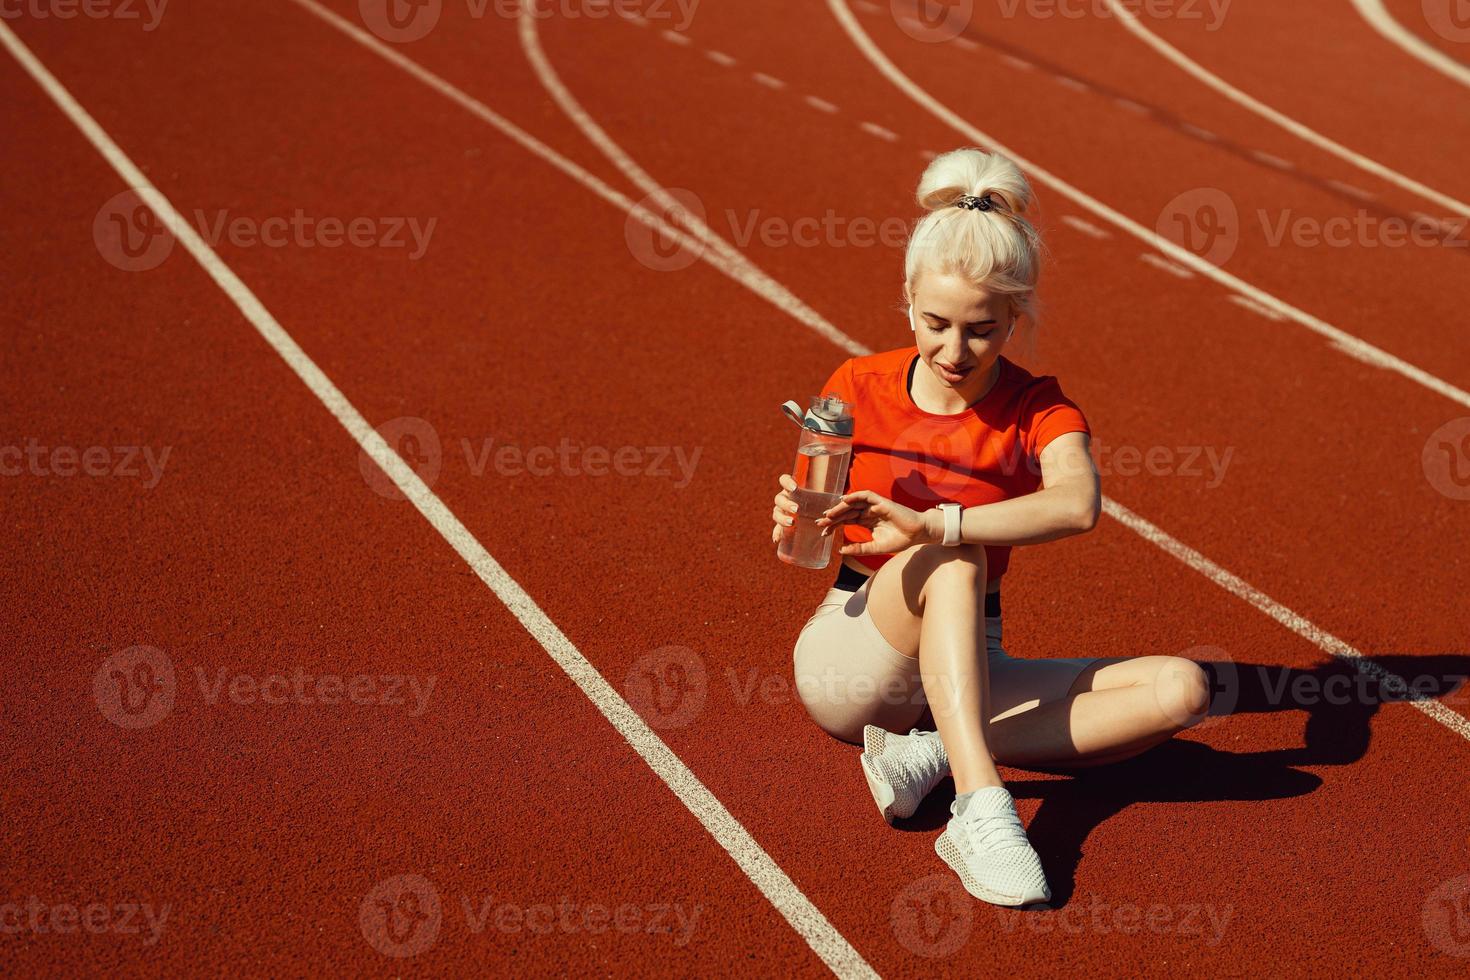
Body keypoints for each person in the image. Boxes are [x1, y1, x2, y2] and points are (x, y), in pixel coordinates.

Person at [770, 148, 1212, 908]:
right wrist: (796, 523)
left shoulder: (1039, 406)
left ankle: (930, 751)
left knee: (1183, 689)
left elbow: (1077, 504)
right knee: (955, 558)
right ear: (907, 298)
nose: (953, 350)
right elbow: (807, 551)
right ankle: (980, 808)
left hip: (974, 653)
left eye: (982, 330)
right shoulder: (855, 385)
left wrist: (934, 519)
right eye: (934, 323)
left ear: (1016, 314)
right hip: (855, 652)